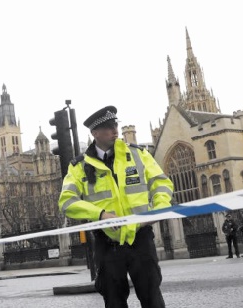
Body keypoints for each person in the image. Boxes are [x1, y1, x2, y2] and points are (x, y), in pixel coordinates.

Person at [58, 105, 174, 308]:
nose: (115, 130)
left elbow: (161, 183)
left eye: (115, 124)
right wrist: (100, 215)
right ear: (95, 133)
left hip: (140, 239)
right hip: (107, 244)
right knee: (114, 302)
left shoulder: (138, 154)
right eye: (108, 126)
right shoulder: (78, 167)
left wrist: (158, 209)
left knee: (152, 299)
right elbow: (67, 202)